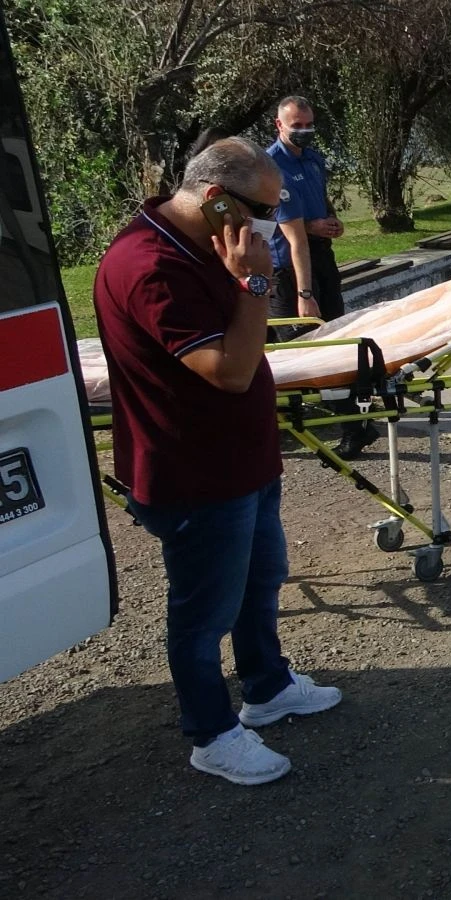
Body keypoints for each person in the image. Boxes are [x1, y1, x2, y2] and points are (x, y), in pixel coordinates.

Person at [93, 137, 343, 785]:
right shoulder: (150, 266)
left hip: (243, 460)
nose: (267, 225)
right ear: (212, 200)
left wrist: (245, 278)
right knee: (204, 611)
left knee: (261, 581)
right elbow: (229, 371)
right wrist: (258, 280)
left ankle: (266, 687)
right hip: (194, 473)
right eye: (260, 210)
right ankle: (211, 732)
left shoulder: (209, 239)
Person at [266, 96, 375, 456]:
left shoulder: (314, 160)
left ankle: (355, 423)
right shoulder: (273, 169)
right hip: (289, 268)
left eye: (309, 124)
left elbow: (318, 209)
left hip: (320, 260)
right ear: (279, 125)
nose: (305, 131)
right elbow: (294, 239)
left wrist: (329, 223)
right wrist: (304, 292)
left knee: (332, 343)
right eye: (296, 126)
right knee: (300, 345)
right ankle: (345, 421)